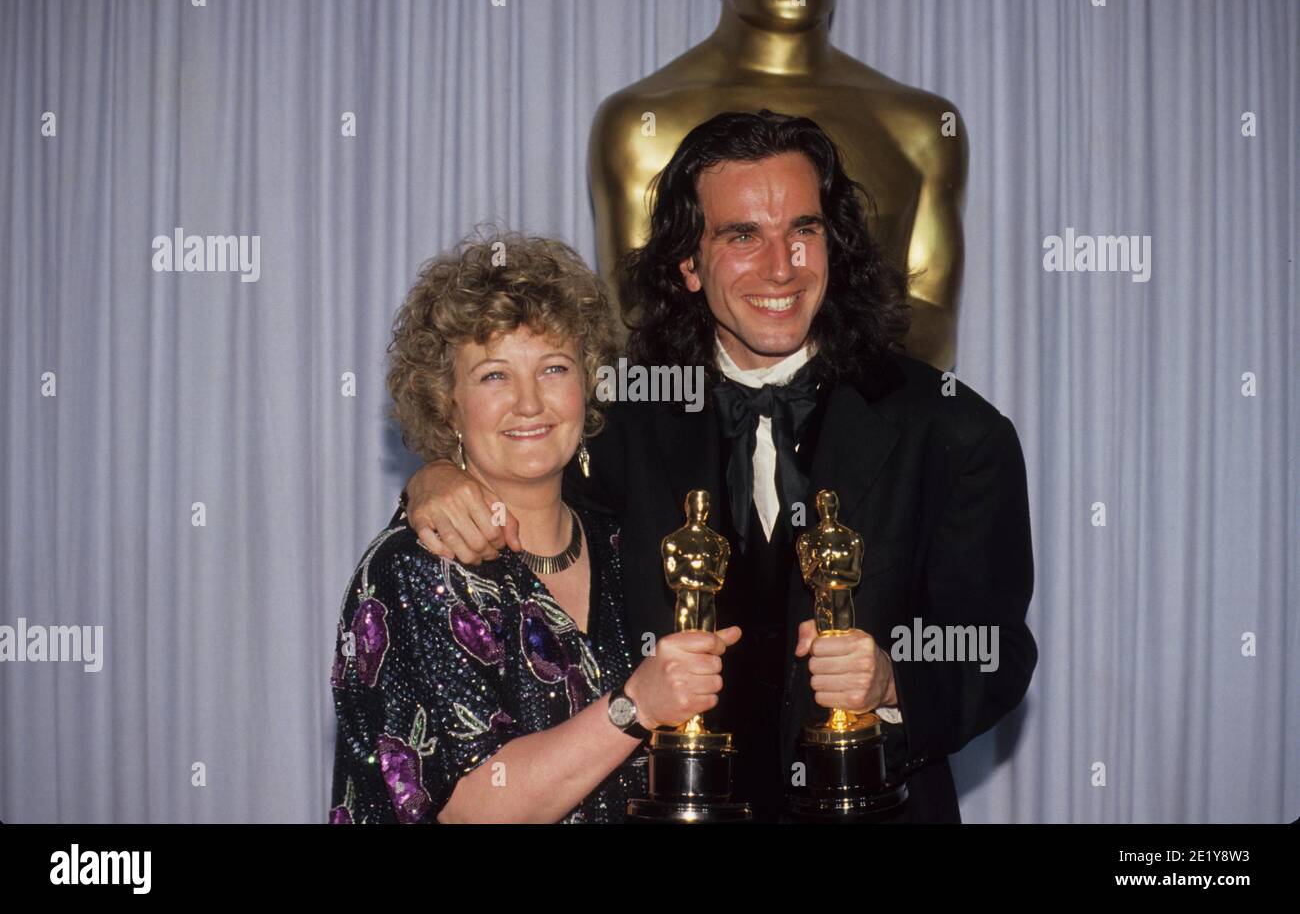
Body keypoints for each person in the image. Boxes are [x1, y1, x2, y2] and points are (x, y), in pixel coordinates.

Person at [404, 111, 1038, 823]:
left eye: (804, 230)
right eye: (743, 236)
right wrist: (437, 476)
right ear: (689, 265)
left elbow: (996, 652)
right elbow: (512, 479)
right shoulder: (615, 416)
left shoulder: (953, 430)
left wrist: (894, 683)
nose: (781, 267)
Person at [329, 231, 741, 823]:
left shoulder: (628, 545)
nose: (529, 404)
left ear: (588, 383)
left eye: (553, 368)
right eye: (495, 376)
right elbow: (471, 812)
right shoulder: (414, 569)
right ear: (447, 401)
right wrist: (636, 707)